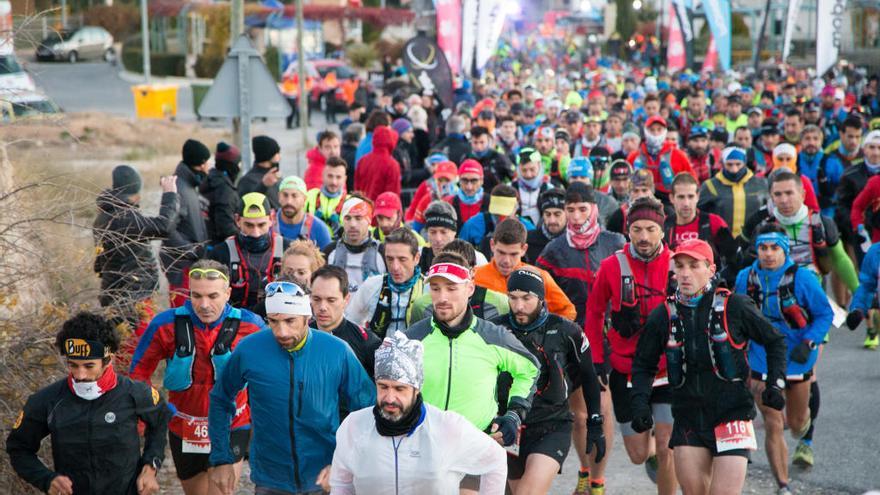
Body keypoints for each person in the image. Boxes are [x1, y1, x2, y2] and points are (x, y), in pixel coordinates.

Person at [630, 239, 787, 495]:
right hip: (687, 416)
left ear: (711, 269)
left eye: (694, 265)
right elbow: (643, 365)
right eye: (679, 266)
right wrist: (639, 403)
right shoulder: (664, 315)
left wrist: (775, 384)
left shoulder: (734, 306)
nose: (685, 273)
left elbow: (775, 340)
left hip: (732, 413)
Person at [208, 281, 375, 495]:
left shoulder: (337, 351)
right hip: (270, 478)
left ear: (307, 318)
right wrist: (222, 458)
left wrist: (346, 462)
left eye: (290, 321)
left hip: (325, 476)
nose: (281, 331)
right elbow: (221, 399)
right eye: (274, 322)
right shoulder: (250, 349)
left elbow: (367, 411)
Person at [130, 260, 266, 495]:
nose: (204, 305)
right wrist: (150, 415)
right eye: (196, 295)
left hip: (231, 424)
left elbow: (269, 376)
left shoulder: (251, 326)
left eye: (213, 296)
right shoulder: (165, 324)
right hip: (185, 425)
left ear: (227, 293)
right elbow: (138, 373)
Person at [8, 312, 170, 495]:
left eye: (89, 366)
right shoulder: (48, 400)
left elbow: (160, 420)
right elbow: (19, 448)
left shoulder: (135, 393)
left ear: (108, 360)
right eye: (73, 365)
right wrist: (47, 479)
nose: (80, 375)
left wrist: (150, 466)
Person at [329, 331, 508, 494]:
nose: (390, 398)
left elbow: (496, 460)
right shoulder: (354, 426)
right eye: (383, 387)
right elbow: (341, 485)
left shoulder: (447, 427)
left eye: (400, 389)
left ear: (417, 389)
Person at [404, 254, 539, 458]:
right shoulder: (411, 339)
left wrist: (513, 414)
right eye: (435, 288)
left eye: (451, 288)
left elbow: (529, 369)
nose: (442, 298)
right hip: (421, 450)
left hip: (476, 449)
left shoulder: (492, 336)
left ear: (470, 289)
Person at [584, 197, 677, 495]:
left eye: (651, 229)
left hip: (665, 368)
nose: (644, 237)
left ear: (662, 231)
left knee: (668, 446)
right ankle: (648, 447)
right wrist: (597, 359)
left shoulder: (676, 264)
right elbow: (594, 311)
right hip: (626, 368)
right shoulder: (612, 266)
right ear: (628, 231)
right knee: (638, 454)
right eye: (637, 229)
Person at [734, 225, 833, 493]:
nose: (768, 254)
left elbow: (825, 314)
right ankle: (783, 484)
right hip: (760, 356)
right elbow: (736, 315)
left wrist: (809, 341)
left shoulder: (802, 278)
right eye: (763, 248)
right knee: (772, 421)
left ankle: (803, 422)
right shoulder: (745, 277)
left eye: (774, 248)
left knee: (797, 424)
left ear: (784, 250)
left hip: (796, 355)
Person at [493, 268, 607, 495]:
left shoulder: (566, 330)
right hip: (508, 427)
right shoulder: (495, 329)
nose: (519, 306)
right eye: (513, 298)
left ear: (541, 298)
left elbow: (588, 375)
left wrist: (595, 423)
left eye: (527, 298)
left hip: (552, 425)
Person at [93, 166, 178, 369]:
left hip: (116, 291)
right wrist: (170, 195)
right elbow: (163, 226)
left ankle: (124, 385)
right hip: (133, 295)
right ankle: (133, 390)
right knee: (138, 352)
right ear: (135, 193)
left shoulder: (104, 216)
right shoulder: (124, 217)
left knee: (124, 347)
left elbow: (100, 259)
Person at [475, 218, 577, 320]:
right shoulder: (474, 277)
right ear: (492, 245)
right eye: (501, 252)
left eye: (513, 254)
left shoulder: (540, 277)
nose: (506, 260)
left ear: (524, 249)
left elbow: (568, 312)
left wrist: (545, 332)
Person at [208, 192, 290, 312]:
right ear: (237, 220)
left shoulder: (288, 249)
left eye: (261, 225)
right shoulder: (221, 253)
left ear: (271, 219)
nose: (255, 233)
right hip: (236, 320)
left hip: (279, 318)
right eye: (249, 225)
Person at [345, 228, 424, 339]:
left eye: (402, 259)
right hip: (376, 353)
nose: (395, 267)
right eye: (390, 259)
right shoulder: (371, 285)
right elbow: (349, 323)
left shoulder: (428, 288)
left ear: (416, 258)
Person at [664, 173, 737, 285]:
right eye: (681, 197)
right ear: (671, 198)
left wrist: (716, 281)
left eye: (690, 196)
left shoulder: (713, 222)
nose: (686, 203)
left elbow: (734, 260)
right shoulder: (664, 226)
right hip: (673, 289)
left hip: (707, 289)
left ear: (698, 196)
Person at [162, 139, 211, 308]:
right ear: (200, 164)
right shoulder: (180, 189)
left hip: (189, 263)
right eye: (206, 162)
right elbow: (168, 229)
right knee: (183, 315)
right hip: (182, 266)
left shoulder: (188, 184)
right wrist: (191, 250)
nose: (208, 167)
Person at [310, 265, 381, 376]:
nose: (322, 307)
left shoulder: (366, 342)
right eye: (317, 299)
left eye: (331, 300)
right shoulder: (299, 336)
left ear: (346, 299)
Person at [409, 240, 505, 322]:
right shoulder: (421, 306)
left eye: (459, 271)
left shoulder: (499, 302)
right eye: (435, 288)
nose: (443, 298)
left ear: (473, 272)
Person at [698, 146, 769, 238]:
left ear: (745, 163)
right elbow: (700, 214)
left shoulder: (761, 183)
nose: (734, 169)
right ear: (723, 164)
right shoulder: (710, 185)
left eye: (738, 164)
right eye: (729, 164)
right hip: (721, 240)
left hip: (754, 239)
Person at [322, 194, 386, 293]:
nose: (352, 224)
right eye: (347, 218)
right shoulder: (329, 251)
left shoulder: (383, 252)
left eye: (358, 218)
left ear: (368, 221)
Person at [627, 115, 694, 203]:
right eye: (652, 130)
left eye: (659, 129)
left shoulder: (678, 155)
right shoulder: (634, 157)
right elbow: (625, 183)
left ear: (665, 131)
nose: (655, 133)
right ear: (645, 131)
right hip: (640, 202)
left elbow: (691, 180)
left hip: (670, 202)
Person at [460, 184, 536, 255]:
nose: (501, 218)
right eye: (497, 214)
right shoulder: (473, 225)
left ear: (516, 207)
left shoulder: (528, 229)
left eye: (506, 214)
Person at [202, 142, 242, 244]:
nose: (240, 168)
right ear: (232, 166)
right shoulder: (225, 192)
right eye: (239, 164)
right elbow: (226, 228)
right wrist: (245, 237)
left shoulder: (208, 179)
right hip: (218, 247)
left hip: (204, 242)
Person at [276, 176, 332, 249]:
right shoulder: (267, 224)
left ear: (304, 199)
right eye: (285, 195)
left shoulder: (319, 228)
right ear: (279, 197)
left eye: (294, 196)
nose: (289, 201)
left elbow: (328, 258)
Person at [354, 125, 401, 201]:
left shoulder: (362, 161)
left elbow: (357, 188)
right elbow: (393, 195)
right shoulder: (392, 164)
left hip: (363, 208)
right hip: (382, 210)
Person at [304, 156, 349, 234]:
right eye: (330, 176)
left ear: (345, 179)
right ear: (323, 175)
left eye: (338, 177)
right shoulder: (309, 196)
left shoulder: (350, 202)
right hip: (311, 244)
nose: (334, 182)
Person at [237, 135, 282, 209]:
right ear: (268, 155)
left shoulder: (275, 176)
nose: (280, 157)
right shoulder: (247, 181)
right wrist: (263, 186)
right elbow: (245, 206)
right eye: (277, 153)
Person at [514, 147, 555, 225]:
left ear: (539, 166)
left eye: (532, 169)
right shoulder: (511, 188)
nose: (528, 175)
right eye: (524, 170)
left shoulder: (549, 188)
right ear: (518, 169)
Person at [446, 159, 491, 229]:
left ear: (482, 180)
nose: (469, 187)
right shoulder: (449, 202)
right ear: (459, 180)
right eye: (464, 181)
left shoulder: (491, 203)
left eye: (474, 181)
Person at [468, 125, 515, 189]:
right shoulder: (467, 159)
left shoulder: (499, 158)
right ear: (471, 142)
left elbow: (514, 177)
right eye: (475, 143)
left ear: (488, 141)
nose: (479, 146)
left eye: (482, 142)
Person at [526, 189, 566, 263]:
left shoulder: (576, 242)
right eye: (547, 214)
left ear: (567, 214)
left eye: (557, 214)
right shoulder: (528, 240)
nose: (552, 220)